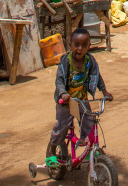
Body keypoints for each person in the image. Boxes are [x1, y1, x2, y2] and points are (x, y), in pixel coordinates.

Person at [47, 27, 113, 156]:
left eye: (84, 45)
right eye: (76, 45)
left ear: (89, 46)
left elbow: (96, 76)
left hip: (81, 99)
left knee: (88, 122)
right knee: (62, 127)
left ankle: (88, 149)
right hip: (66, 101)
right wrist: (63, 94)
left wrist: (105, 92)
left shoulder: (90, 61)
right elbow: (59, 80)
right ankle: (52, 149)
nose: (80, 49)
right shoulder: (66, 61)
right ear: (70, 45)